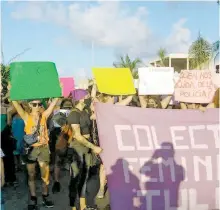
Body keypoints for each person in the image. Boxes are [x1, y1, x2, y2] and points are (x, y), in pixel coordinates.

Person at [9, 83, 60, 209]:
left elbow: (55, 102)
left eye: (39, 104)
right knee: (31, 174)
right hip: (30, 149)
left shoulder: (44, 116)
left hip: (43, 148)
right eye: (34, 104)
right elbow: (15, 103)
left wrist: (59, 89)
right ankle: (33, 198)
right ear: (30, 105)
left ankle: (45, 195)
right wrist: (11, 90)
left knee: (45, 175)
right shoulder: (26, 116)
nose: (37, 106)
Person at [67, 89, 102, 210]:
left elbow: (96, 108)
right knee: (78, 178)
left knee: (85, 177)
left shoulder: (85, 111)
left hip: (86, 147)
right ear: (81, 99)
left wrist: (95, 85)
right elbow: (77, 136)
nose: (88, 98)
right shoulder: (73, 114)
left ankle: (83, 206)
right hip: (78, 148)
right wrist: (94, 147)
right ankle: (75, 206)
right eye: (86, 96)